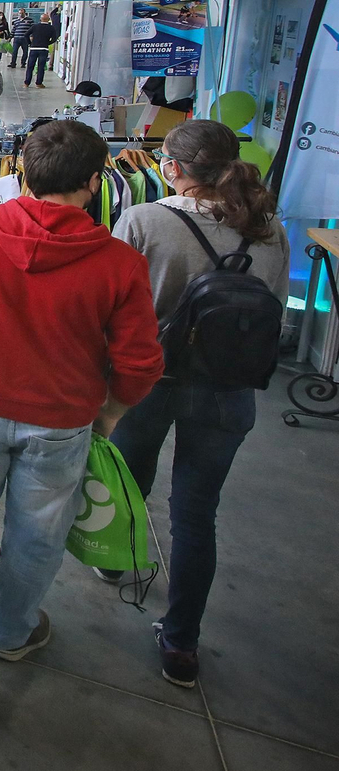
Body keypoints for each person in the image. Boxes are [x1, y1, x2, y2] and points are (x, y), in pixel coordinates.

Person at [0, 120, 165, 695]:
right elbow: (139, 362)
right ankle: (10, 630)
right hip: (61, 418)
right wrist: (111, 414)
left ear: (23, 171)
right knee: (38, 534)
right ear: (95, 181)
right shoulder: (119, 263)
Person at [99, 120, 290, 687]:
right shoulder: (268, 229)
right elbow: (273, 313)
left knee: (129, 479)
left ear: (174, 169)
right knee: (196, 515)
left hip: (148, 379)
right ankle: (181, 643)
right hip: (228, 388)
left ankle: (116, 559)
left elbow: (112, 303)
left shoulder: (142, 220)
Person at [24, 13, 58, 87]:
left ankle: (27, 83)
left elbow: (26, 34)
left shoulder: (35, 26)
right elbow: (54, 38)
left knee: (30, 66)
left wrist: (30, 43)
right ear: (48, 20)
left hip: (34, 48)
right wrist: (47, 43)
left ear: (40, 19)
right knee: (41, 67)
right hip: (43, 49)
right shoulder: (51, 28)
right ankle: (39, 83)